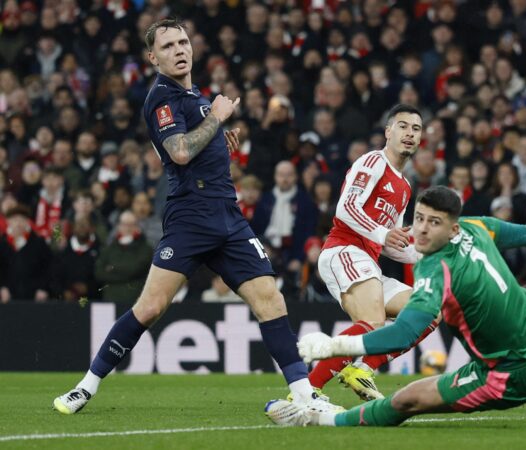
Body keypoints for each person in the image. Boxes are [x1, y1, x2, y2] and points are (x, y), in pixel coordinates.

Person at [53, 18, 340, 417]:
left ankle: (304, 393)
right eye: (168, 46)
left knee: (270, 300)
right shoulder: (162, 98)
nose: (179, 50)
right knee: (151, 308)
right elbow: (180, 152)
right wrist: (217, 120)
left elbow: (195, 142)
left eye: (183, 42)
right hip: (191, 217)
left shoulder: (195, 96)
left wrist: (218, 139)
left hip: (228, 216)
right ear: (153, 58)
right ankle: (85, 387)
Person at [265, 186, 526, 426]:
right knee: (517, 292)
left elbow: (403, 331)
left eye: (433, 223)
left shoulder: (437, 273)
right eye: (418, 218)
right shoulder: (476, 227)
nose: (420, 230)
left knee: (405, 401)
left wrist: (333, 345)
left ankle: (316, 418)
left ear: (451, 228)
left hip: (508, 376)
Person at [310, 104, 434, 402]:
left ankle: (363, 368)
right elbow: (346, 207)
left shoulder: (404, 186)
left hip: (368, 261)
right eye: (403, 126)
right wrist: (383, 234)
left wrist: (430, 257)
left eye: (416, 129)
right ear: (388, 132)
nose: (410, 133)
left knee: (429, 310)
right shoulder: (373, 162)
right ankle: (306, 390)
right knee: (373, 320)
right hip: (344, 250)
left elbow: (394, 244)